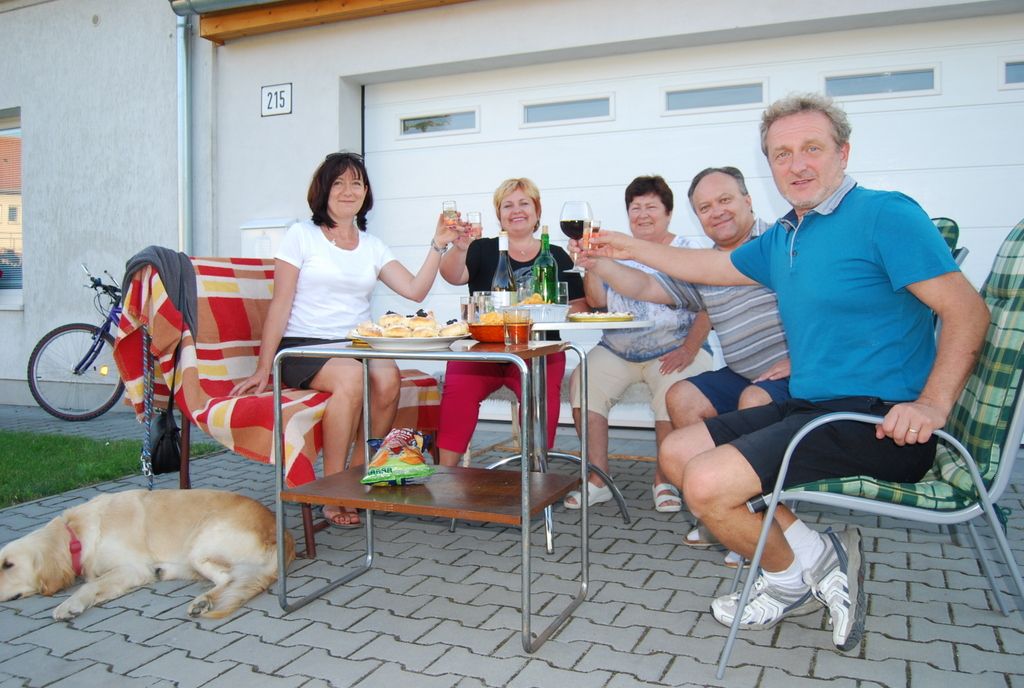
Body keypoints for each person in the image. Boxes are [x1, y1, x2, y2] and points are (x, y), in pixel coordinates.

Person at [587, 93, 988, 652]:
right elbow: (708, 266)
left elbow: (967, 311)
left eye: (811, 149)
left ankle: (786, 577)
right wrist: (628, 246)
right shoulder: (788, 235)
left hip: (876, 420)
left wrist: (932, 404)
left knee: (707, 484)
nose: (797, 165)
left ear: (843, 153)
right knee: (677, 453)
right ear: (769, 166)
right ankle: (815, 558)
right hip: (813, 407)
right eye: (781, 154)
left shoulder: (885, 214)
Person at [231, 152, 460, 526]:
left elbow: (415, 290)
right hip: (305, 346)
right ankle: (331, 490)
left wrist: (438, 244)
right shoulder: (301, 236)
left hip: (355, 346)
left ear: (366, 192)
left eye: (356, 183)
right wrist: (263, 367)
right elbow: (280, 303)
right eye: (338, 183)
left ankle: (356, 478)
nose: (348, 190)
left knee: (389, 378)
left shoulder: (372, 246)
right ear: (323, 190)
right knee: (353, 378)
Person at [577, 167, 792, 562]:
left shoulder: (782, 243)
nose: (717, 212)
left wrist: (798, 358)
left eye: (725, 200)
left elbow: (832, 306)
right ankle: (718, 507)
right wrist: (600, 262)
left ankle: (759, 526)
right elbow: (645, 286)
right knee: (683, 397)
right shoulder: (705, 263)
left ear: (747, 200)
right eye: (705, 207)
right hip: (742, 371)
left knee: (754, 401)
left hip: (790, 373)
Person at [564, 175, 713, 512]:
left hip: (676, 346)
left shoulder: (688, 250)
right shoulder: (616, 251)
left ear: (668, 213)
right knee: (584, 382)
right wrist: (591, 265)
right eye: (635, 208)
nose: (642, 214)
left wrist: (690, 348)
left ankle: (665, 480)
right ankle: (598, 480)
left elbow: (710, 306)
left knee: (675, 389)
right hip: (619, 348)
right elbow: (597, 302)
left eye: (651, 207)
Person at [436, 178, 586, 466]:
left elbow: (580, 304)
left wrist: (550, 311)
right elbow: (452, 276)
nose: (516, 210)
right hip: (484, 350)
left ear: (537, 211)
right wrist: (460, 248)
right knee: (458, 387)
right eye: (508, 205)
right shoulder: (481, 248)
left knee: (541, 392)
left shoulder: (556, 255)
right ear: (499, 215)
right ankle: (445, 473)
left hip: (539, 350)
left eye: (524, 203)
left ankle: (536, 472)